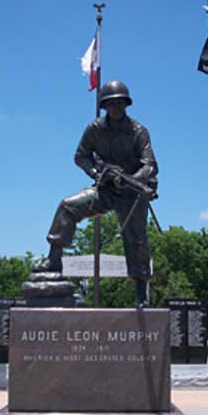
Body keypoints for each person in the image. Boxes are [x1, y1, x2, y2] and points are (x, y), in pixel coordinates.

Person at [34, 80, 158, 308]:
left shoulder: (138, 131)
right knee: (67, 206)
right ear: (104, 106)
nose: (116, 107)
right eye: (111, 103)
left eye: (120, 103)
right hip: (105, 190)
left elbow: (150, 165)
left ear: (126, 104)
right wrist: (96, 173)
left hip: (132, 194)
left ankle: (142, 292)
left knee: (137, 239)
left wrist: (134, 179)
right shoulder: (94, 129)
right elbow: (81, 156)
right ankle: (54, 260)